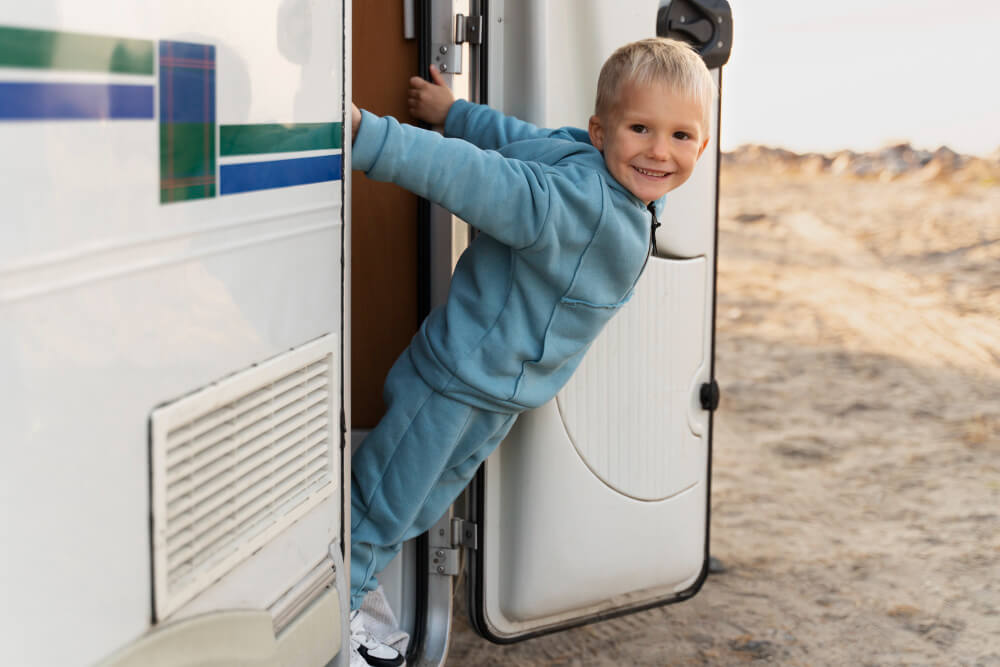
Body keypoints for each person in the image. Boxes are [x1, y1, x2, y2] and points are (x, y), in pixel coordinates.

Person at [346, 37, 714, 666]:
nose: (659, 151)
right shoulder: (580, 205)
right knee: (385, 499)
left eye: (681, 136)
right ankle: (341, 605)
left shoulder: (587, 160)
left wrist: (455, 113)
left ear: (703, 146)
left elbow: (517, 136)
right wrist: (368, 136)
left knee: (423, 499)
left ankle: (358, 574)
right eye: (641, 128)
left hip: (496, 393)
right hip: (457, 383)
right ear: (602, 131)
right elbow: (479, 177)